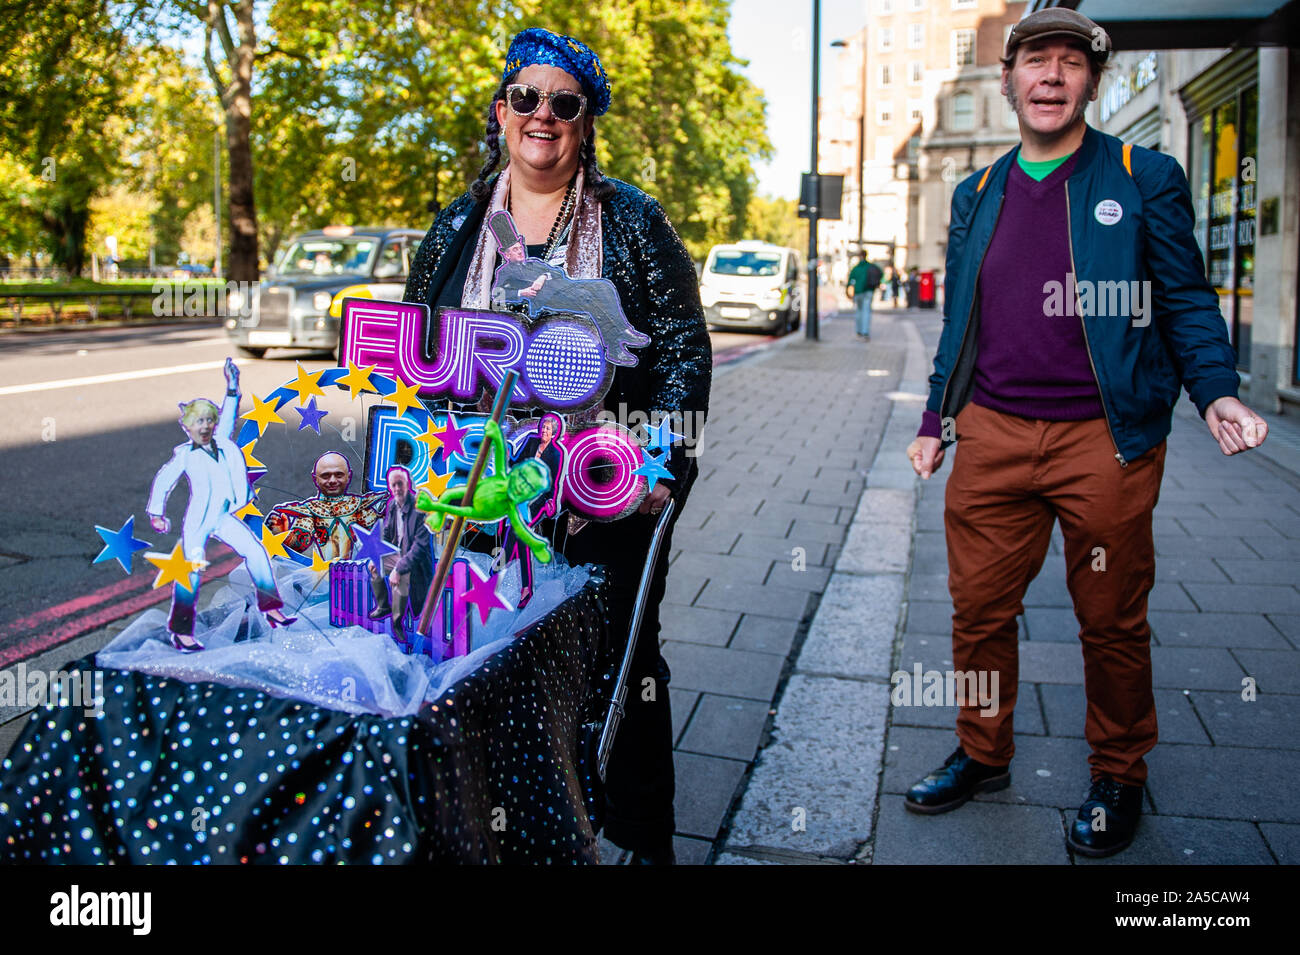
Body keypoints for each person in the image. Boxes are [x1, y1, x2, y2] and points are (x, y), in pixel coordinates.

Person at [902, 8, 1270, 858]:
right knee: (979, 611)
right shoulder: (978, 192)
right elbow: (962, 312)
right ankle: (983, 751)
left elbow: (1183, 296)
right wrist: (935, 418)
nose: (1051, 77)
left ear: (1091, 83)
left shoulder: (1146, 176)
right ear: (1009, 81)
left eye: (1070, 63)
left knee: (1110, 617)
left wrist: (1216, 391)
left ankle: (1119, 770)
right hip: (991, 431)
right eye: (1036, 63)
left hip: (1103, 440)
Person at [403, 27, 711, 865]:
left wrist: (655, 463)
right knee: (480, 657)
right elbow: (418, 342)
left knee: (621, 667)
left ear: (586, 122)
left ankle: (641, 840)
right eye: (527, 98)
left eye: (564, 103)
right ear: (501, 112)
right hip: (476, 488)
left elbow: (682, 347)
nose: (544, 115)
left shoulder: (634, 220)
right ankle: (507, 828)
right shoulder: (461, 221)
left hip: (599, 492)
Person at [147, 358, 295, 651]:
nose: (204, 426)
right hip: (200, 519)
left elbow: (230, 414)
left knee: (255, 550)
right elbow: (164, 479)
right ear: (187, 427)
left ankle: (271, 608)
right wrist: (156, 513)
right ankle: (181, 631)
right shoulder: (185, 454)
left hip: (224, 515)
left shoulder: (225, 443)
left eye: (208, 420)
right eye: (197, 421)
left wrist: (232, 386)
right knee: (191, 567)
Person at [265, 451, 388, 560]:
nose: (333, 480)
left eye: (339, 475)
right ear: (315, 478)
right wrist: (281, 534)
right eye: (326, 475)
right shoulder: (310, 512)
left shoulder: (360, 508)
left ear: (349, 476)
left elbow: (386, 533)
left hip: (357, 577)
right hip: (321, 579)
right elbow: (297, 546)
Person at [367, 465, 432, 648]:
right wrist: (380, 554)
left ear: (407, 484)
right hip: (399, 555)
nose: (396, 489)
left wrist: (398, 568)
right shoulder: (393, 505)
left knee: (400, 577)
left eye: (399, 484)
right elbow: (387, 533)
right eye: (393, 485)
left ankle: (397, 622)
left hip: (416, 563)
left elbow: (420, 547)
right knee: (374, 566)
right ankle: (383, 606)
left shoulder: (420, 509)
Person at [845, 254, 883, 340]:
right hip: (869, 291)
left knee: (859, 311)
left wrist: (848, 291)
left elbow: (850, 281)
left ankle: (859, 331)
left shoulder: (856, 268)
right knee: (866, 311)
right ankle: (865, 331)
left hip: (858, 292)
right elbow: (880, 273)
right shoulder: (871, 266)